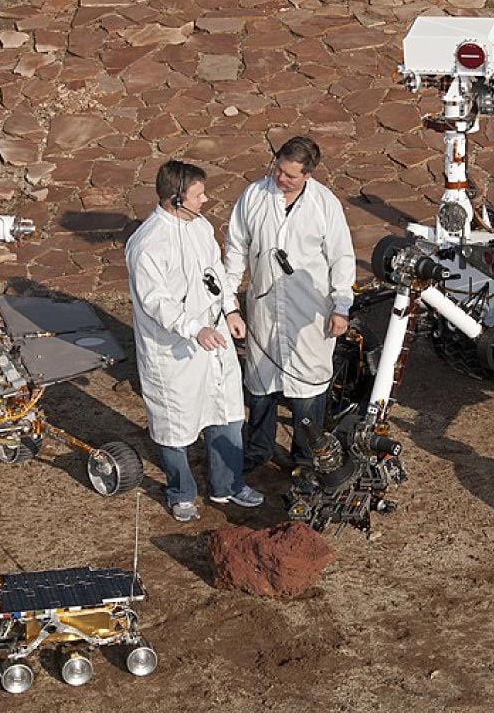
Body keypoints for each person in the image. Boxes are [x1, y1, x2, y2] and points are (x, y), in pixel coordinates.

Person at [126, 160, 265, 521]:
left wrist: (230, 311)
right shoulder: (147, 245)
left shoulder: (201, 227)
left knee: (227, 411)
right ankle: (181, 491)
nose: (206, 199)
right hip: (174, 352)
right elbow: (156, 302)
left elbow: (214, 276)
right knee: (175, 423)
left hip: (213, 340)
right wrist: (193, 329)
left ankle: (228, 485)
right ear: (175, 198)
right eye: (198, 194)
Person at [224, 136, 356, 474]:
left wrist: (341, 306)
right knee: (260, 383)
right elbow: (236, 249)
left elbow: (341, 257)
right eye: (279, 170)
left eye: (291, 176)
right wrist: (230, 303)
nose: (281, 179)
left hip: (309, 314)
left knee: (307, 388)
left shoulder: (325, 205)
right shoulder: (253, 197)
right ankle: (259, 450)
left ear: (308, 175)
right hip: (264, 309)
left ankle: (305, 455)